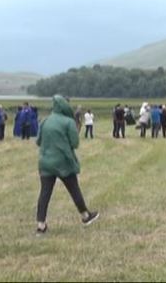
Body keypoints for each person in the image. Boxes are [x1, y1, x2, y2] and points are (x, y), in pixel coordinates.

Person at [35, 95, 99, 235]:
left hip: (45, 162)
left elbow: (38, 141)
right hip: (64, 162)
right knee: (74, 189)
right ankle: (85, 215)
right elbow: (75, 143)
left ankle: (41, 225)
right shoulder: (68, 122)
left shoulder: (45, 121)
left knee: (44, 193)